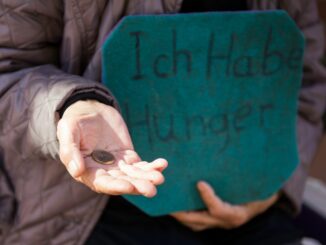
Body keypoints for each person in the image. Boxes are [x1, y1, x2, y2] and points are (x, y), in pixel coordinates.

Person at [0, 0, 325, 244]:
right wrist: (69, 105)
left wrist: (276, 186)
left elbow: (307, 76)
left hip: (250, 202)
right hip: (87, 213)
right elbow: (8, 66)